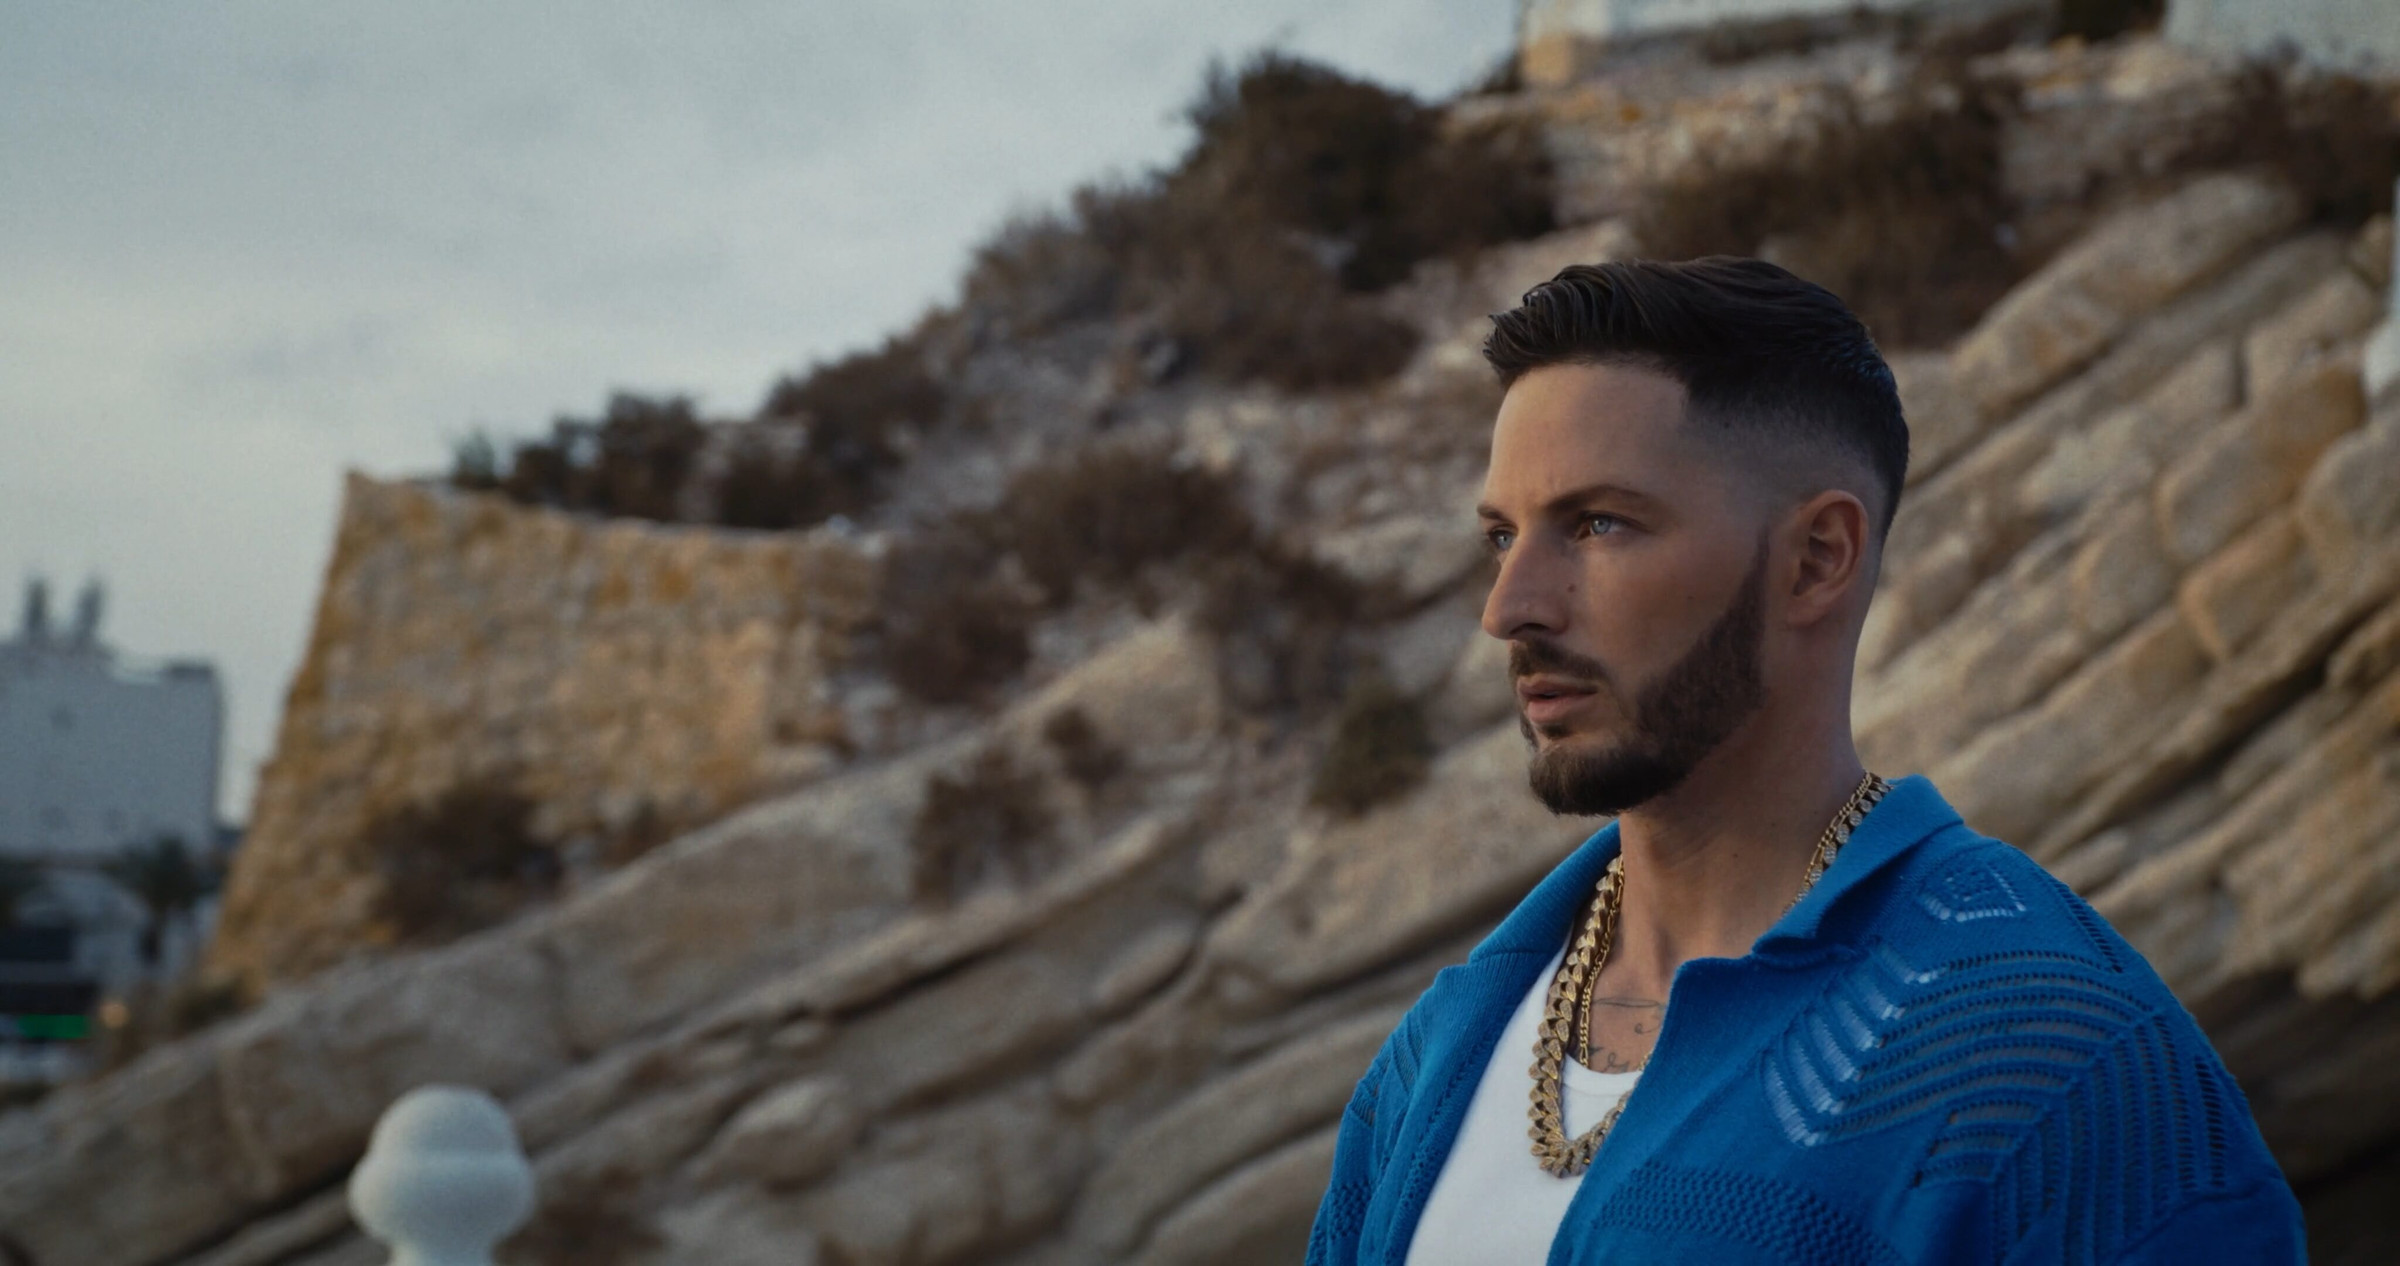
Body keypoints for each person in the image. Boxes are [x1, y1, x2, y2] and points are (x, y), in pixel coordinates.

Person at [1304, 258, 2305, 1265]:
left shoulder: (2052, 1055)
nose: (1509, 607)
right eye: (1501, 536)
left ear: (1818, 558)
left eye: (1598, 525)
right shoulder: (1434, 1060)